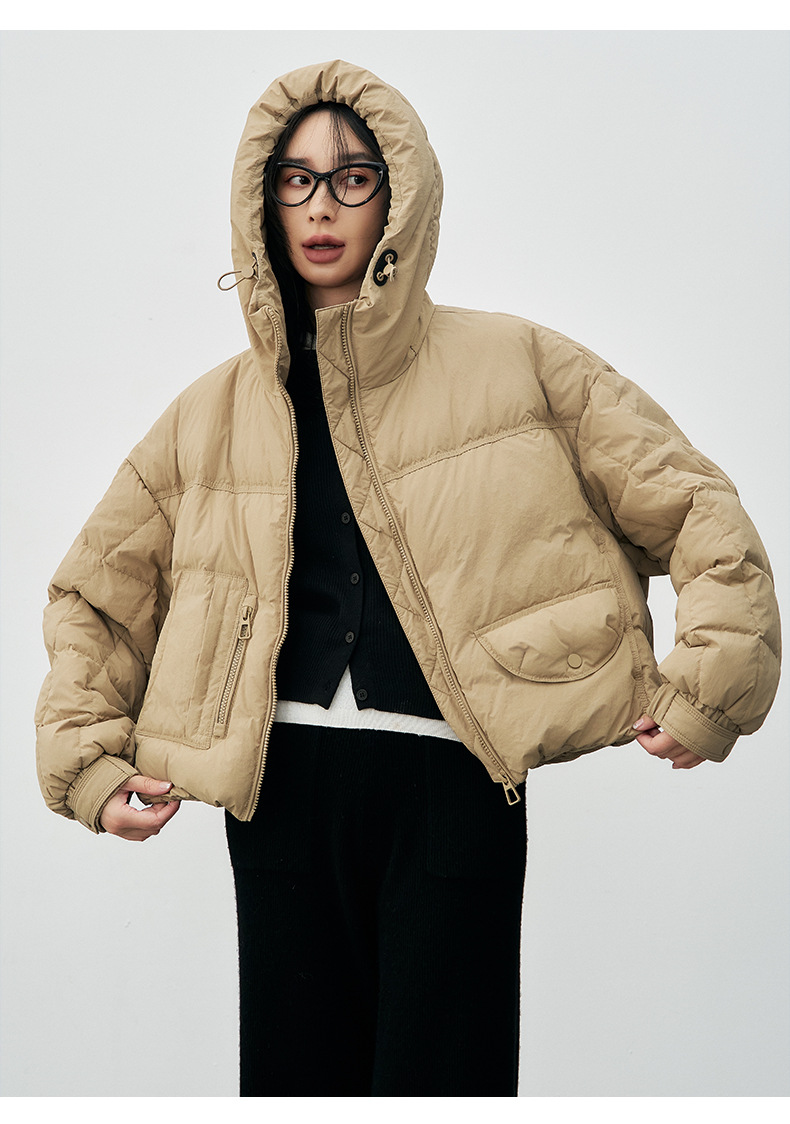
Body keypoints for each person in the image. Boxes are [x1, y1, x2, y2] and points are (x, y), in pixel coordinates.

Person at [34, 60, 781, 1097]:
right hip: (279, 793)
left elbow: (694, 504)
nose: (322, 206)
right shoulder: (209, 413)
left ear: (401, 195)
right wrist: (85, 761)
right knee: (295, 1088)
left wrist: (710, 686)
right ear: (262, 203)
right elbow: (96, 594)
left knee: (447, 1087)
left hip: (452, 784)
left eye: (352, 177)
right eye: (295, 180)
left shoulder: (518, 362)